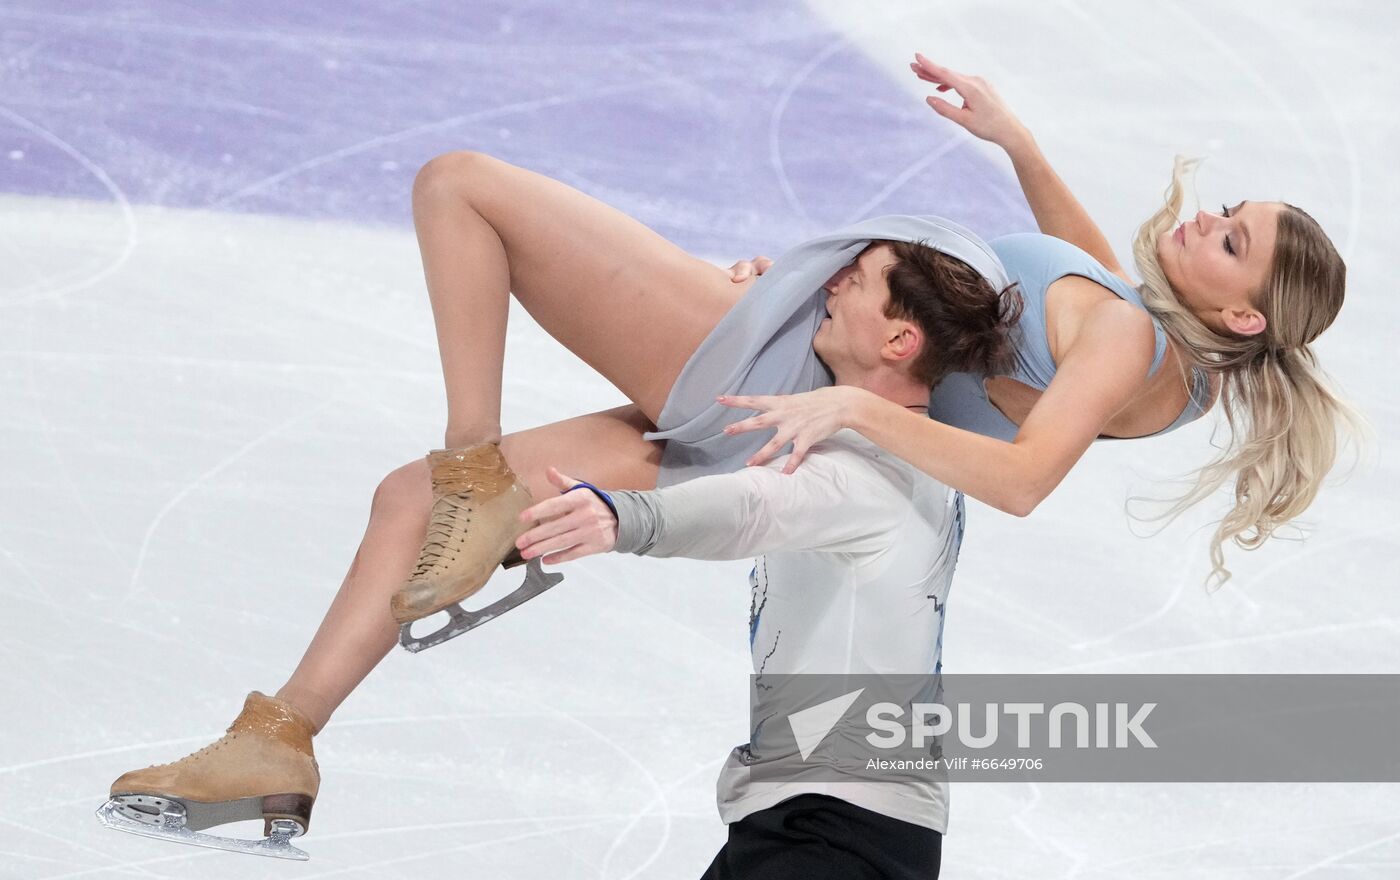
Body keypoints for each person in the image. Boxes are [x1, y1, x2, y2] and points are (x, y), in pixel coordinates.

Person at [99, 51, 1358, 857]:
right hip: (797, 394)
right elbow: (1083, 284)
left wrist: (855, 406)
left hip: (786, 373)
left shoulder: (1128, 341)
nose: (1207, 214)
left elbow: (1027, 478)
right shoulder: (1178, 375)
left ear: (1240, 310)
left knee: (460, 183)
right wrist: (1021, 150)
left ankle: (474, 459)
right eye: (1230, 210)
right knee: (401, 503)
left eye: (1231, 236)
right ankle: (281, 738)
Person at [504, 239, 1019, 879]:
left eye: (855, 282)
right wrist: (781, 296)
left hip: (833, 834)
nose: (832, 287)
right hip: (831, 822)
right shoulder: (922, 452)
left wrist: (625, 516)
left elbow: (755, 507)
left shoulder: (875, 472)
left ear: (898, 343)